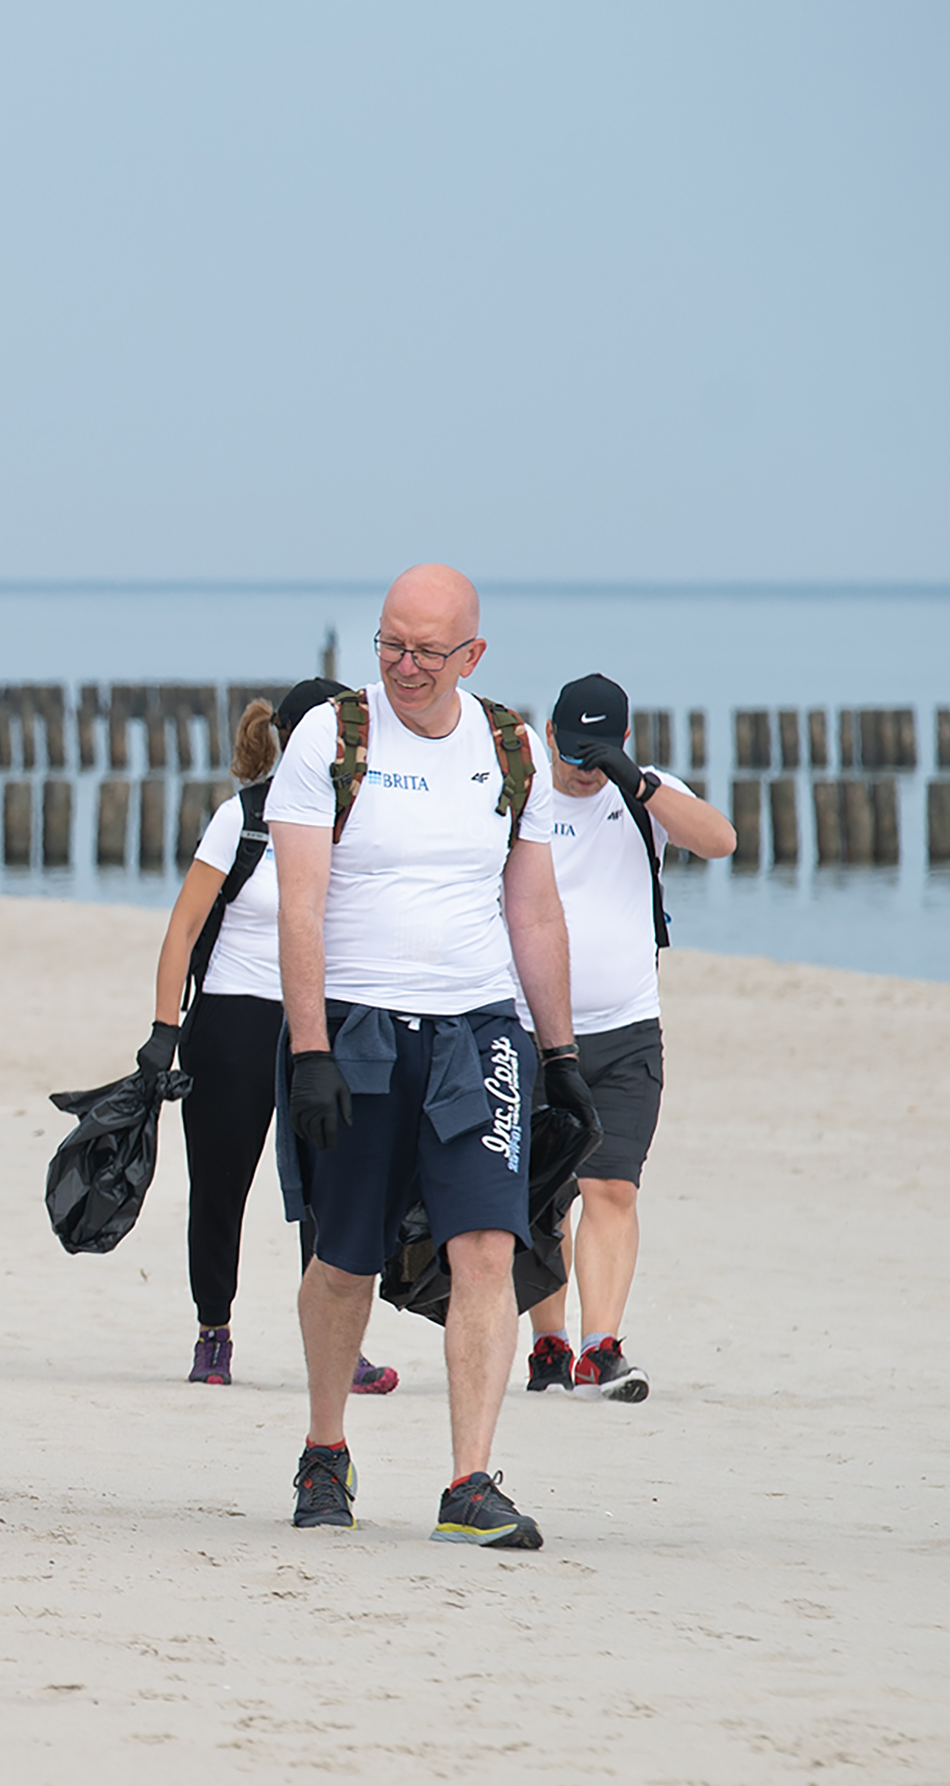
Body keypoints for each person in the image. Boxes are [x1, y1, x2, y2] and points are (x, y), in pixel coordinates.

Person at [268, 565, 598, 1551]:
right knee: (342, 1257)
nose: (403, 667)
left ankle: (467, 1479)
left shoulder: (509, 747)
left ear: (472, 655)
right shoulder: (332, 737)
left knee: (487, 1248)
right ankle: (324, 1446)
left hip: (476, 1035)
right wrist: (309, 1049)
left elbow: (531, 906)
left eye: (424, 650)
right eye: (388, 644)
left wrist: (562, 1050)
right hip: (358, 1029)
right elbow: (297, 902)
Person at [138, 678, 399, 1395]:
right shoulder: (243, 818)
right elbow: (183, 927)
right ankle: (212, 1333)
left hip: (324, 1018)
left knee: (333, 1190)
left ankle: (339, 1349)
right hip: (234, 1021)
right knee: (220, 1187)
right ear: (295, 738)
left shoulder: (361, 821)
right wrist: (163, 1032)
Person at [521, 672, 735, 1402]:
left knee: (611, 1185)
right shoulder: (521, 794)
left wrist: (635, 783)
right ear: (548, 735)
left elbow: (720, 840)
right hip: (531, 1029)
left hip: (628, 1030)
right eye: (574, 749)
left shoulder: (644, 794)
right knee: (542, 1193)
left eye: (598, 751)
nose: (583, 767)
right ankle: (546, 1342)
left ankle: (599, 1345)